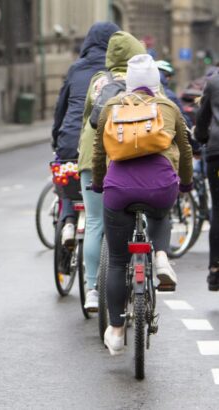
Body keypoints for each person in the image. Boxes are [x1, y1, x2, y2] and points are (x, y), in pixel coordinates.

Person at [92, 54, 193, 355]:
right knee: (162, 213)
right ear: (156, 83)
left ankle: (117, 330)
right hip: (160, 186)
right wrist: (184, 183)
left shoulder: (112, 107)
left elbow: (99, 152)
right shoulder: (168, 107)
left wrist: (99, 184)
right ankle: (161, 256)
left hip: (119, 190)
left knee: (119, 261)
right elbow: (185, 151)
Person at [50, 22, 119, 309]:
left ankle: (67, 221)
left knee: (67, 183)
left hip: (69, 144)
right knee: (99, 214)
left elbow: (61, 108)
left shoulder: (76, 69)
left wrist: (57, 138)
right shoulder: (115, 73)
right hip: (106, 147)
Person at [77, 30, 146, 310]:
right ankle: (140, 273)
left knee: (94, 222)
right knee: (136, 216)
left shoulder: (98, 81)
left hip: (92, 156)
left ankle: (92, 288)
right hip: (130, 158)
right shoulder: (143, 81)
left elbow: (86, 120)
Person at [194, 62, 219, 291]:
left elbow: (202, 119)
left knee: (218, 210)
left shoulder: (213, 81)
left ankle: (215, 270)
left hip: (217, 155)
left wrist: (200, 139)